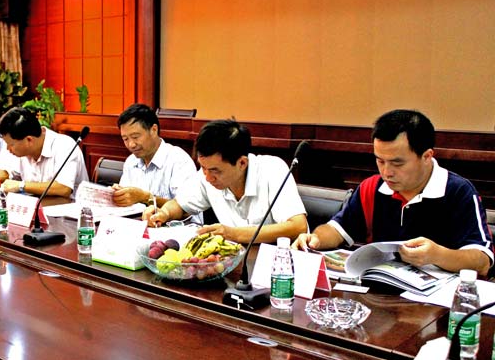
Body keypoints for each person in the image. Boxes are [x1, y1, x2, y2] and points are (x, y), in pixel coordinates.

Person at [292, 109, 493, 276]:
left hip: (437, 302)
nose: (387, 172)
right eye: (380, 161)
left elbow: (482, 261)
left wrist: (438, 255)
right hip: (380, 293)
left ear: (426, 156)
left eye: (397, 163)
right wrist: (315, 239)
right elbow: (337, 230)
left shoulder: (458, 192)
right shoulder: (372, 187)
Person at [143, 119, 308, 244]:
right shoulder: (206, 175)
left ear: (242, 163)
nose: (208, 177)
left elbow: (297, 226)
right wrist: (164, 213)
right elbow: (179, 204)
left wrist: (233, 234)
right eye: (203, 168)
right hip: (235, 263)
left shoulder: (272, 170)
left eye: (216, 171)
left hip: (279, 266)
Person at [112, 103, 198, 208]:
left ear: (154, 130)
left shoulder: (179, 161)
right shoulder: (131, 161)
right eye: (125, 139)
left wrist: (145, 198)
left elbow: (187, 208)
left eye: (135, 137)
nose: (131, 144)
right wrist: (118, 195)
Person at [0, 107, 89, 198]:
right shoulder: (22, 151)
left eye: (11, 144)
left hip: (68, 207)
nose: (8, 149)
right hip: (36, 207)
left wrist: (21, 185)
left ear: (29, 140)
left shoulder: (64, 146)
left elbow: (64, 188)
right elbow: (8, 175)